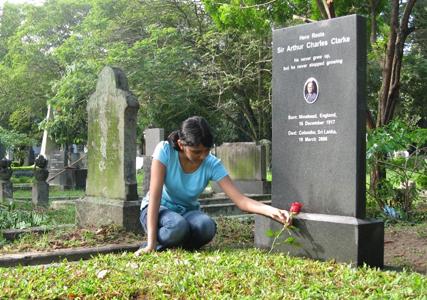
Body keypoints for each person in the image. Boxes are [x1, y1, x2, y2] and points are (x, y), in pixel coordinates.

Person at [135, 116, 290, 255]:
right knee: (177, 226)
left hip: (187, 212)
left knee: (206, 227)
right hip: (159, 210)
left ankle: (175, 242)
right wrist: (151, 244)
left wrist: (272, 211)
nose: (202, 156)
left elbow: (241, 200)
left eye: (206, 151)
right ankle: (159, 242)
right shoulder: (165, 151)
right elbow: (155, 197)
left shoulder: (212, 164)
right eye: (196, 152)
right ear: (181, 144)